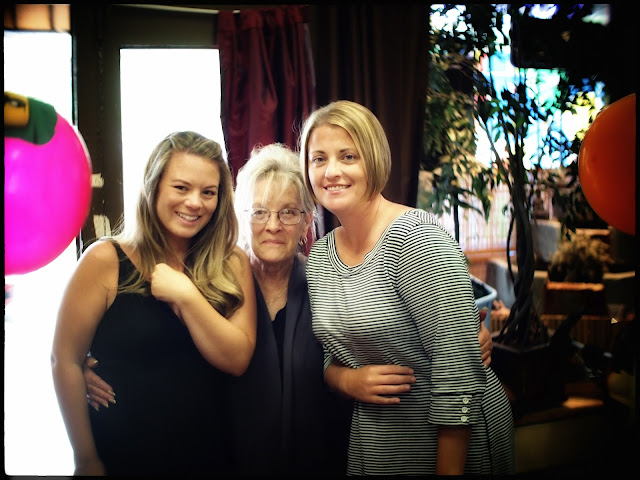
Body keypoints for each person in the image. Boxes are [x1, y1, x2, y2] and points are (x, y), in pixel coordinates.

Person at [82, 142, 496, 476]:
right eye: (259, 212)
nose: (273, 225)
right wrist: (91, 362)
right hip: (224, 459)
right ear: (241, 216)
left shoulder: (328, 280)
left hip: (327, 457)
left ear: (307, 220)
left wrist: (465, 337)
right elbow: (162, 348)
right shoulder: (212, 281)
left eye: (288, 212)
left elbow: (387, 329)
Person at [298, 100, 515, 476]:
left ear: (374, 160)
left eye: (348, 156)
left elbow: (458, 371)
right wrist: (346, 379)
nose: (331, 171)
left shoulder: (415, 239)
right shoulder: (319, 257)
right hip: (379, 437)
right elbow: (327, 355)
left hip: (452, 441)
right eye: (319, 159)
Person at [51, 131, 257, 476]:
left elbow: (237, 360)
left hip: (209, 455)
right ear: (153, 186)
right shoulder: (104, 259)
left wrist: (186, 295)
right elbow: (65, 360)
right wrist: (85, 460)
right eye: (181, 187)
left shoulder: (231, 261)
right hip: (122, 456)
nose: (195, 202)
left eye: (208, 192)